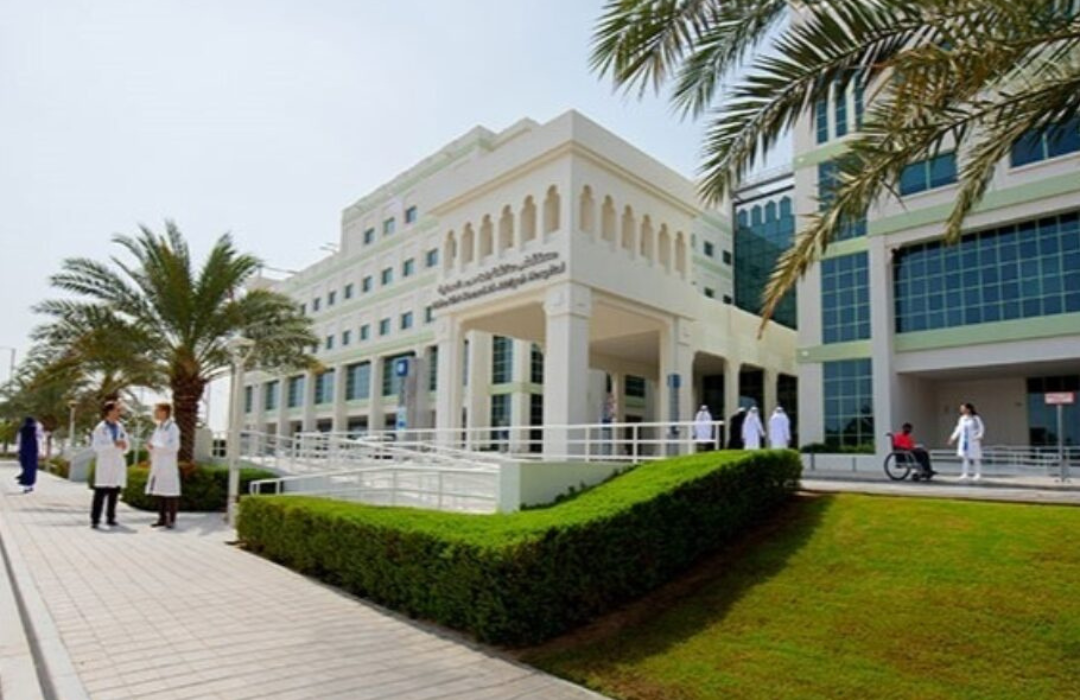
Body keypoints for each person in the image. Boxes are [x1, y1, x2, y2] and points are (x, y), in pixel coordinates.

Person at [90, 401, 129, 529]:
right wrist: (113, 445)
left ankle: (111, 518)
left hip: (117, 462)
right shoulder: (100, 428)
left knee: (114, 492)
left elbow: (127, 445)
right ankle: (95, 519)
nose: (119, 413)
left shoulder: (120, 427)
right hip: (105, 463)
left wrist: (124, 446)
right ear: (109, 411)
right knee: (100, 492)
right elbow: (96, 447)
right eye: (117, 410)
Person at [146, 403, 182, 529]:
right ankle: (161, 518)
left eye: (157, 411)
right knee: (159, 491)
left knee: (170, 492)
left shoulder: (173, 428)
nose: (155, 413)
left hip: (168, 464)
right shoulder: (158, 427)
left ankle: (171, 519)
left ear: (164, 412)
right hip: (158, 463)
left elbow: (174, 447)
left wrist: (156, 448)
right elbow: (154, 444)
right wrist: (151, 449)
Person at [948, 403, 985, 481]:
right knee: (965, 458)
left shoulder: (975, 418)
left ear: (968, 409)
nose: (961, 410)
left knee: (976, 458)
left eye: (963, 408)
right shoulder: (962, 418)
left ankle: (978, 474)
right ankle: (965, 474)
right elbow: (958, 429)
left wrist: (979, 435)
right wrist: (953, 438)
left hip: (973, 440)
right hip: (964, 441)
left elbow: (981, 427)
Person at [16, 417, 39, 493]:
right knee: (31, 469)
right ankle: (29, 486)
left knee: (25, 468)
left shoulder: (22, 430)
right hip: (32, 452)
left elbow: (18, 441)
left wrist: (18, 450)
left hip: (23, 451)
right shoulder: (36, 429)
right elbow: (40, 440)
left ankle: (26, 486)